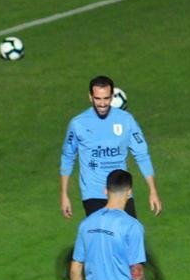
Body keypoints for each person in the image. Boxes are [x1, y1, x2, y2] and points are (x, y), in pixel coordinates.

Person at [60, 75, 161, 219]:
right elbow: (67, 157)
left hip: (122, 192)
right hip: (93, 194)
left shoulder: (126, 120)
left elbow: (142, 155)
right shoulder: (78, 124)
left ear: (112, 96)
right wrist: (64, 195)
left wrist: (153, 190)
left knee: (128, 237)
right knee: (102, 238)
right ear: (90, 97)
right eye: (98, 99)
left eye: (106, 98)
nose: (102, 104)